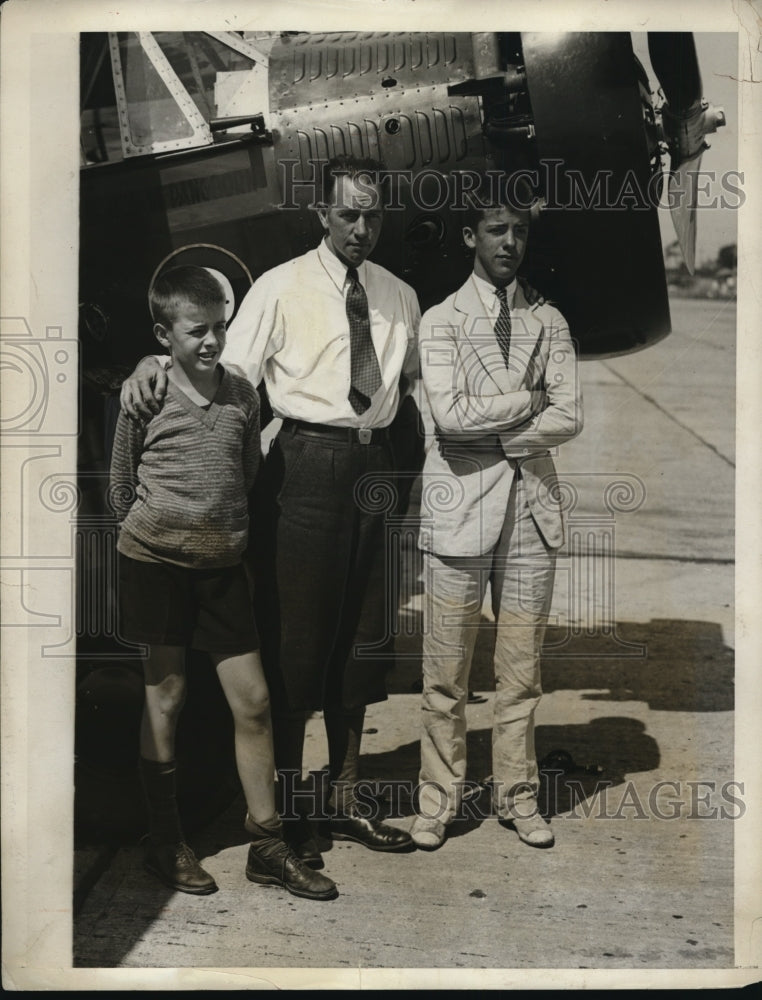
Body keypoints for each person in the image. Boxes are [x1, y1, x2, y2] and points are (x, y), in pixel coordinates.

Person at [119, 156, 419, 871]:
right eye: (348, 214)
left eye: (373, 215)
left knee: (363, 637)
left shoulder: (400, 295)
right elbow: (219, 376)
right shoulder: (280, 288)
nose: (361, 228)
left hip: (376, 470)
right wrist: (145, 363)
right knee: (295, 645)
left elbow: (409, 389)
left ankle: (344, 796)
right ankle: (286, 813)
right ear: (322, 214)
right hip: (306, 468)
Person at [110, 265, 338, 901]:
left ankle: (267, 844)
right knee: (167, 697)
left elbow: (246, 473)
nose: (211, 341)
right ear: (165, 335)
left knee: (254, 701)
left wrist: (219, 537)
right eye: (196, 331)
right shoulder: (146, 396)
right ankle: (165, 841)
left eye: (219, 328)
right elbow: (121, 486)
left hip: (222, 572)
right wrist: (161, 532)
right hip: (155, 567)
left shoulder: (242, 394)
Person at [411, 173, 583, 851]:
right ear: (470, 236)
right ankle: (438, 802)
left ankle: (518, 797)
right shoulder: (440, 320)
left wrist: (505, 433)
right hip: (458, 514)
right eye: (496, 229)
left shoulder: (550, 320)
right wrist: (529, 402)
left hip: (532, 514)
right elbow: (449, 417)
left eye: (519, 231)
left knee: (520, 675)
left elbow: (570, 415)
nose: (510, 242)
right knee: (444, 678)